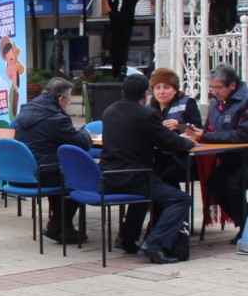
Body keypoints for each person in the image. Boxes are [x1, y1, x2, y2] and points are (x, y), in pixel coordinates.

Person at [101, 74, 196, 263]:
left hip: (109, 176)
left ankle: (127, 238)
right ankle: (155, 244)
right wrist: (187, 141)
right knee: (181, 199)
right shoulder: (147, 114)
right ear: (146, 93)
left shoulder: (109, 111)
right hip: (136, 177)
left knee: (148, 194)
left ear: (122, 91)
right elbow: (170, 143)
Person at [13, 77, 91, 243]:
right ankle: (56, 226)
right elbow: (82, 143)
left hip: (23, 174)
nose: (68, 104)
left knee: (61, 174)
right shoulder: (55, 119)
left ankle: (64, 228)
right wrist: (85, 132)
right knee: (81, 181)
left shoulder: (24, 112)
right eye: (69, 100)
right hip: (44, 173)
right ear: (61, 99)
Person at [196, 64, 248, 241]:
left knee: (233, 187)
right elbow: (208, 129)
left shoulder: (245, 100)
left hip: (245, 157)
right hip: (229, 157)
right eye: (212, 88)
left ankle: (245, 228)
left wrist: (208, 136)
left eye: (218, 88)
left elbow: (243, 134)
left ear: (232, 85)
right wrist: (196, 133)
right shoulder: (215, 104)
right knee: (214, 183)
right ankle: (244, 224)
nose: (215, 92)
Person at [147, 67, 202, 189]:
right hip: (158, 155)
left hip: (182, 157)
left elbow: (198, 130)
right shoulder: (150, 108)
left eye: (166, 87)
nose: (161, 92)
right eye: (157, 87)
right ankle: (166, 206)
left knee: (164, 178)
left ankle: (176, 203)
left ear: (175, 90)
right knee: (147, 176)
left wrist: (179, 125)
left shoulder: (187, 103)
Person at [0, 36, 24, 123]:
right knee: (12, 108)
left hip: (15, 88)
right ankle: (12, 123)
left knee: (15, 107)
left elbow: (21, 70)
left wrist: (16, 58)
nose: (12, 59)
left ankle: (15, 122)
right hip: (13, 89)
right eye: (10, 58)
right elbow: (10, 76)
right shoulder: (9, 68)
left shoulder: (15, 64)